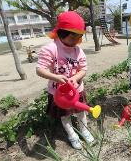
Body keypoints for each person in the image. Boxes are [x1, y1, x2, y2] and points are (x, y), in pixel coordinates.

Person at [36, 11, 94, 149]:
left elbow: (83, 69)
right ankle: (72, 135)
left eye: (78, 38)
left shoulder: (78, 51)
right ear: (62, 33)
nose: (75, 42)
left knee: (81, 111)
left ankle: (84, 130)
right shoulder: (51, 49)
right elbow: (39, 70)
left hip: (77, 90)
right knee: (65, 116)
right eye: (72, 38)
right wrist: (56, 77)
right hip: (60, 94)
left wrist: (75, 78)